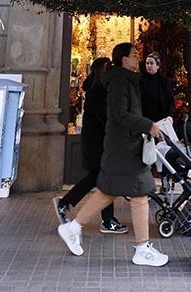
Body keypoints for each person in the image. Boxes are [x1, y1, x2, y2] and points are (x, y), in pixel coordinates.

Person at [57, 43, 168, 267]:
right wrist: (148, 125)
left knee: (111, 192)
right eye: (135, 55)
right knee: (139, 192)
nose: (138, 59)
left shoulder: (126, 78)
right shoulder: (119, 81)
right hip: (123, 148)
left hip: (125, 146)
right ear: (124, 60)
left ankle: (73, 228)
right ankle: (142, 248)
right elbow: (120, 114)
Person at [52, 58, 128, 234]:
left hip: (98, 142)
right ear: (102, 71)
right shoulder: (97, 92)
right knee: (101, 178)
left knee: (100, 178)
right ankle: (103, 219)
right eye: (108, 68)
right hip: (98, 143)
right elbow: (105, 119)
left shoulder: (98, 90)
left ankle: (69, 205)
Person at [139, 52, 174, 123]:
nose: (149, 66)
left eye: (151, 63)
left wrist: (170, 116)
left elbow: (170, 101)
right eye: (147, 63)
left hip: (160, 119)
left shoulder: (164, 82)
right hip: (145, 120)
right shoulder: (140, 80)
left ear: (157, 66)